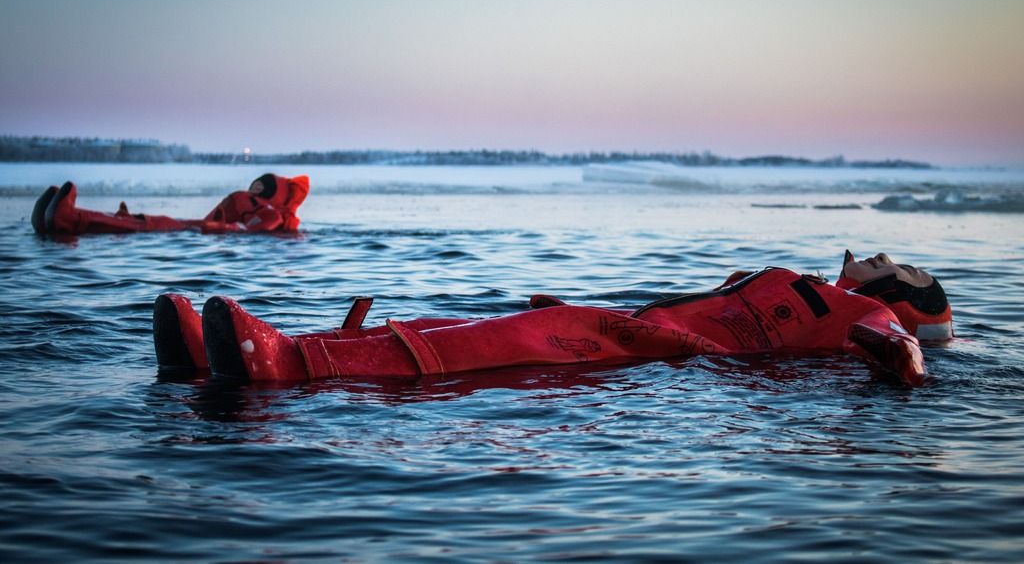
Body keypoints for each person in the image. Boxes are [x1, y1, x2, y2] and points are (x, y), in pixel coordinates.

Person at [153, 251, 952, 387]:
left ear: (911, 288)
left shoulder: (872, 308)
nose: (875, 259)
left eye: (895, 265)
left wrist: (901, 363)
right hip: (652, 333)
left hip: (677, 356)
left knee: (512, 338)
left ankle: (288, 364)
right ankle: (247, 349)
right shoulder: (799, 281)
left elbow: (896, 348)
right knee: (459, 322)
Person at [31, 173, 310, 235]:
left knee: (148, 224)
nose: (254, 188)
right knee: (141, 220)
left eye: (262, 187)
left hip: (205, 230)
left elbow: (252, 229)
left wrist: (223, 228)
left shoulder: (271, 212)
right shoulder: (249, 200)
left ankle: (69, 219)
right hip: (202, 228)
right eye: (255, 184)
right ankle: (61, 217)